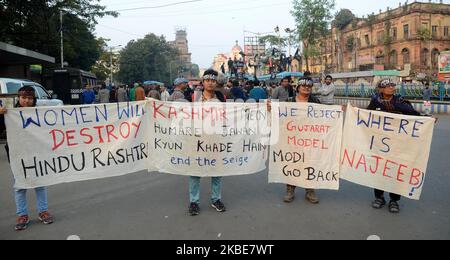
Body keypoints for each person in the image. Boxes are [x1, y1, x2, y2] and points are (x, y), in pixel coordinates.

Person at [0, 86, 54, 231]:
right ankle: (22, 215)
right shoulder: (9, 112)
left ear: (33, 99)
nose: (26, 101)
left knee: (40, 183)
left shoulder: (39, 113)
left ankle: (43, 211)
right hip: (16, 154)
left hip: (36, 153)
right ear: (19, 98)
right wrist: (1, 115)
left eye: (30, 98)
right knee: (20, 186)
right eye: (24, 98)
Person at [367, 79, 424, 214]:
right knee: (380, 169)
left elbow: (414, 115)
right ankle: (379, 197)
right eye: (388, 86)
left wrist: (427, 119)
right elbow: (367, 116)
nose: (391, 88)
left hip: (398, 144)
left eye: (393, 85)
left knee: (395, 170)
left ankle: (394, 200)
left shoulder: (401, 101)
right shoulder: (375, 101)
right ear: (380, 89)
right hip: (380, 143)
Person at [188, 69, 227, 216]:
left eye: (213, 80)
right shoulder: (194, 97)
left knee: (217, 171)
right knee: (195, 172)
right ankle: (194, 202)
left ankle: (216, 199)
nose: (210, 83)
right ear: (203, 82)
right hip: (197, 139)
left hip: (215, 139)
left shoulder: (221, 97)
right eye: (207, 80)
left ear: (216, 82)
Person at [283, 77, 320, 204]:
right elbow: (280, 117)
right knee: (293, 163)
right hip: (292, 139)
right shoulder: (289, 101)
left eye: (309, 86)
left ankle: (310, 190)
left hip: (310, 139)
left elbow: (326, 117)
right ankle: (290, 190)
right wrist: (271, 109)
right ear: (298, 88)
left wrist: (338, 111)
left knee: (310, 164)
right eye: (303, 86)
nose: (306, 88)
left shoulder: (316, 101)